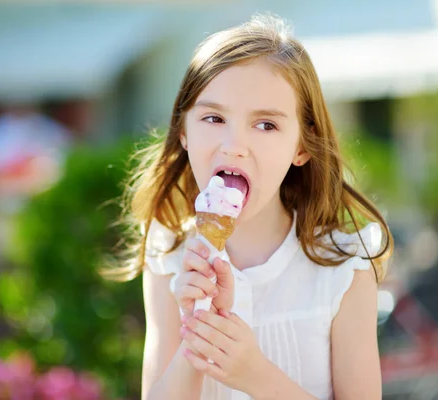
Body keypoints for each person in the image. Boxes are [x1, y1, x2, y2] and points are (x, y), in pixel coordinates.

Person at [118, 13, 394, 400]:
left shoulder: (343, 266)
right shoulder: (169, 256)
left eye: (266, 125)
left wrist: (254, 375)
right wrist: (196, 329)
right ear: (183, 132)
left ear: (302, 146)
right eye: (213, 118)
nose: (234, 144)